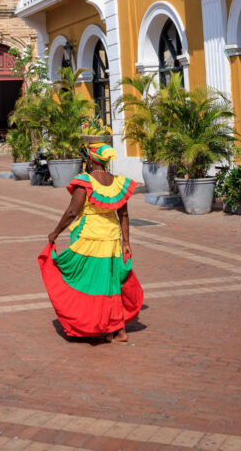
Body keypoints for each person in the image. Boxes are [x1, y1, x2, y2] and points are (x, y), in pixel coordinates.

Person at [38, 143, 143, 343]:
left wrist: (55, 233)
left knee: (84, 281)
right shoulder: (117, 182)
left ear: (92, 160)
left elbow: (72, 212)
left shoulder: (85, 181)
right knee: (110, 284)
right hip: (111, 239)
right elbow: (124, 214)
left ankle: (95, 323)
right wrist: (126, 242)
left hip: (90, 239)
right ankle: (118, 330)